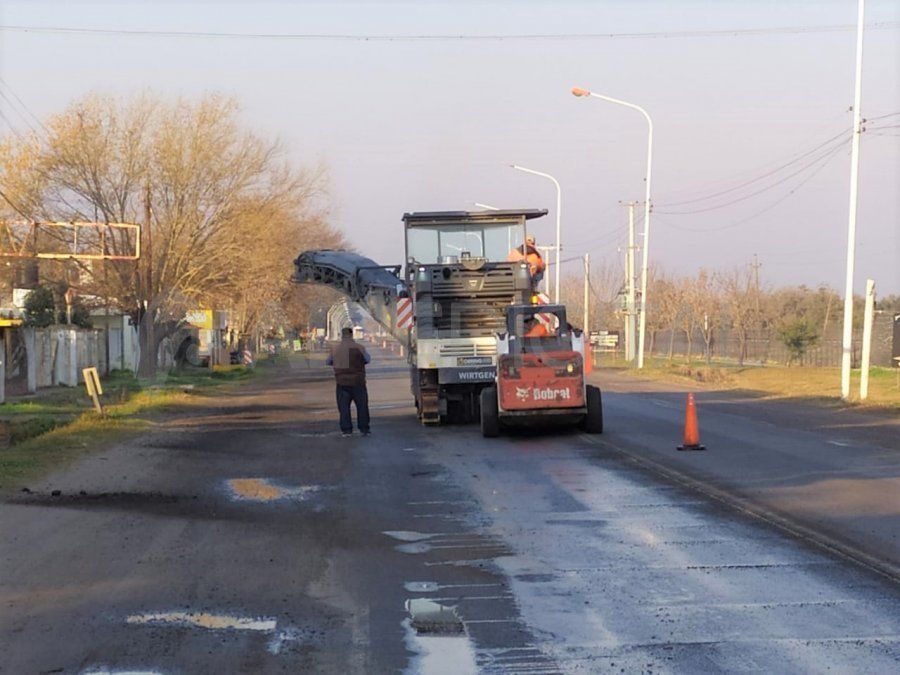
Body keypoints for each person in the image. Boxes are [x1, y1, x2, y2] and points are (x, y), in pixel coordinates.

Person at [326, 327, 371, 437]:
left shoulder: (335, 349)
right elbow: (367, 359)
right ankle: (364, 429)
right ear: (351, 335)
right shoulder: (359, 347)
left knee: (344, 408)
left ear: (342, 335)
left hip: (342, 382)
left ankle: (346, 430)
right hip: (358, 382)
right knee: (362, 406)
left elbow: (328, 361)